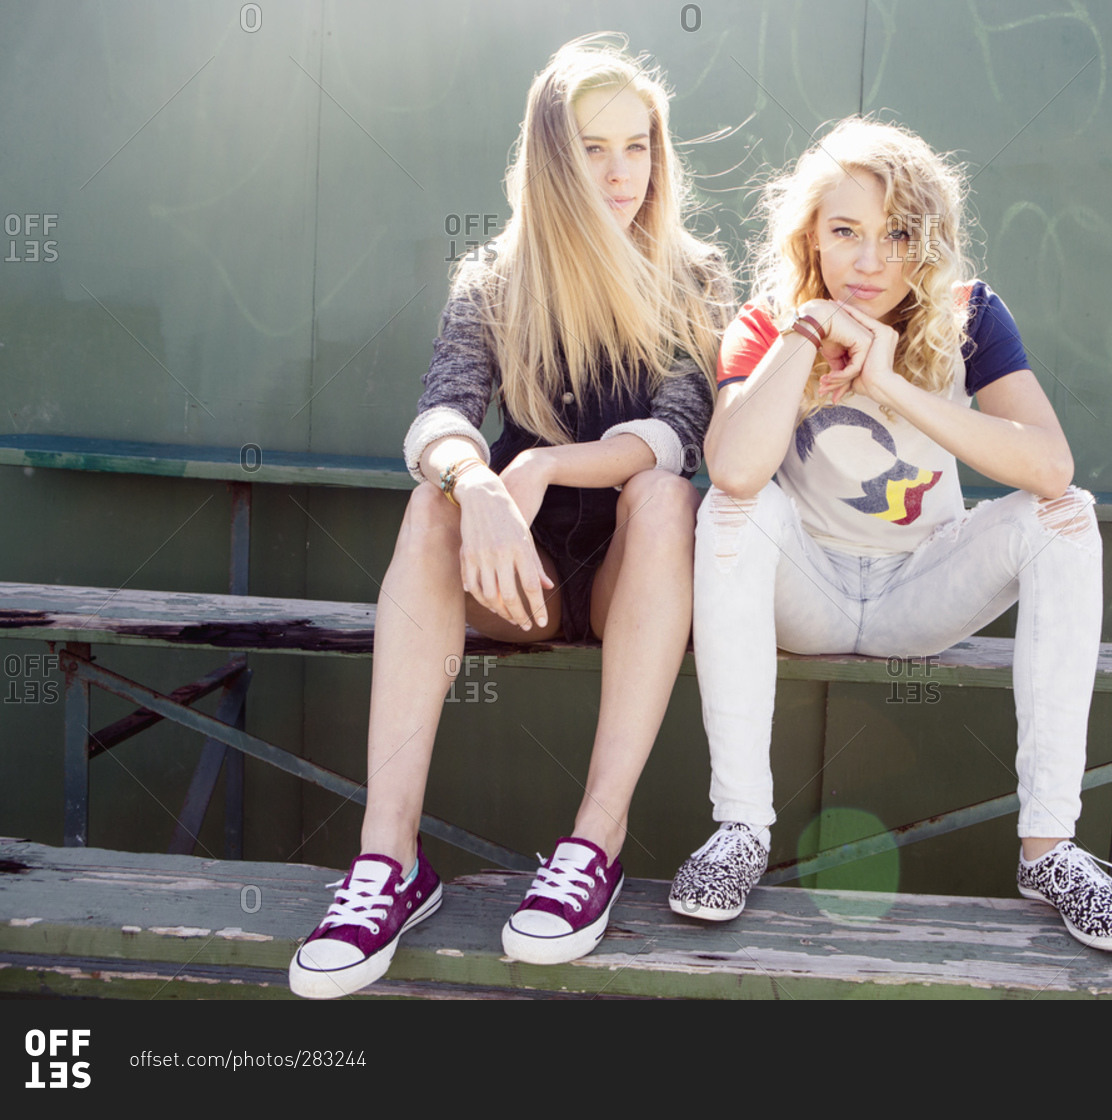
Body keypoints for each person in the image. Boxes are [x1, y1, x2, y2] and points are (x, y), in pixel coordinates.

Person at [288, 35, 731, 997]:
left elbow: (677, 435)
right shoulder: (496, 276)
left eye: (638, 146)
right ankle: (388, 861)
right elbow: (440, 415)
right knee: (431, 506)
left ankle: (594, 843)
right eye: (593, 148)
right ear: (550, 157)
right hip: (517, 576)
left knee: (665, 497)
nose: (620, 172)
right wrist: (476, 484)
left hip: (632, 581)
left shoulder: (694, 275)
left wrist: (537, 463)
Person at [667, 118, 1112, 952]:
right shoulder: (769, 323)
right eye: (844, 232)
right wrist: (808, 332)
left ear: (925, 242)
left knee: (1067, 517)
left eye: (895, 235)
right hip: (809, 590)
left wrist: (888, 381)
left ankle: (1049, 848)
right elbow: (736, 471)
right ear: (810, 237)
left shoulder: (971, 316)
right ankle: (740, 829)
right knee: (728, 509)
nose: (869, 261)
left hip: (919, 591)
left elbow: (1049, 466)